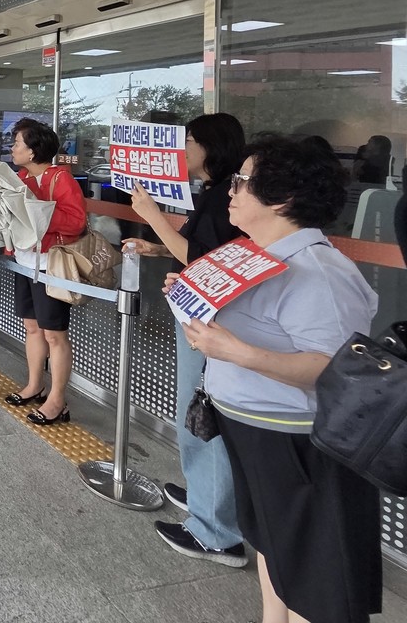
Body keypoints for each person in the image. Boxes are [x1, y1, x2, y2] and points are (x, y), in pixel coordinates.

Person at [179, 136, 380, 623]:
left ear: (283, 199)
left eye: (243, 181)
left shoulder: (319, 271)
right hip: (253, 431)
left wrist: (236, 352)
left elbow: (336, 369)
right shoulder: (252, 255)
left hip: (300, 444)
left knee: (315, 573)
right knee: (271, 539)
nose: (232, 190)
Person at [125, 113, 247, 566]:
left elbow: (202, 257)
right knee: (195, 412)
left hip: (211, 325)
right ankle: (201, 493)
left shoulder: (222, 199)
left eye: (189, 140)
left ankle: (216, 533)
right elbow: (201, 252)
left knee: (204, 414)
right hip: (198, 315)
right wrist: (156, 247)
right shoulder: (215, 196)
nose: (182, 149)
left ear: (212, 146)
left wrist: (153, 218)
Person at [3, 119, 86, 426]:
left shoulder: (60, 180)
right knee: (32, 328)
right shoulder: (21, 178)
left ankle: (57, 399)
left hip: (50, 266)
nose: (12, 148)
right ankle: (35, 384)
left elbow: (76, 222)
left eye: (17, 143)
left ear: (34, 150)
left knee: (55, 334)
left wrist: (37, 210)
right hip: (25, 262)